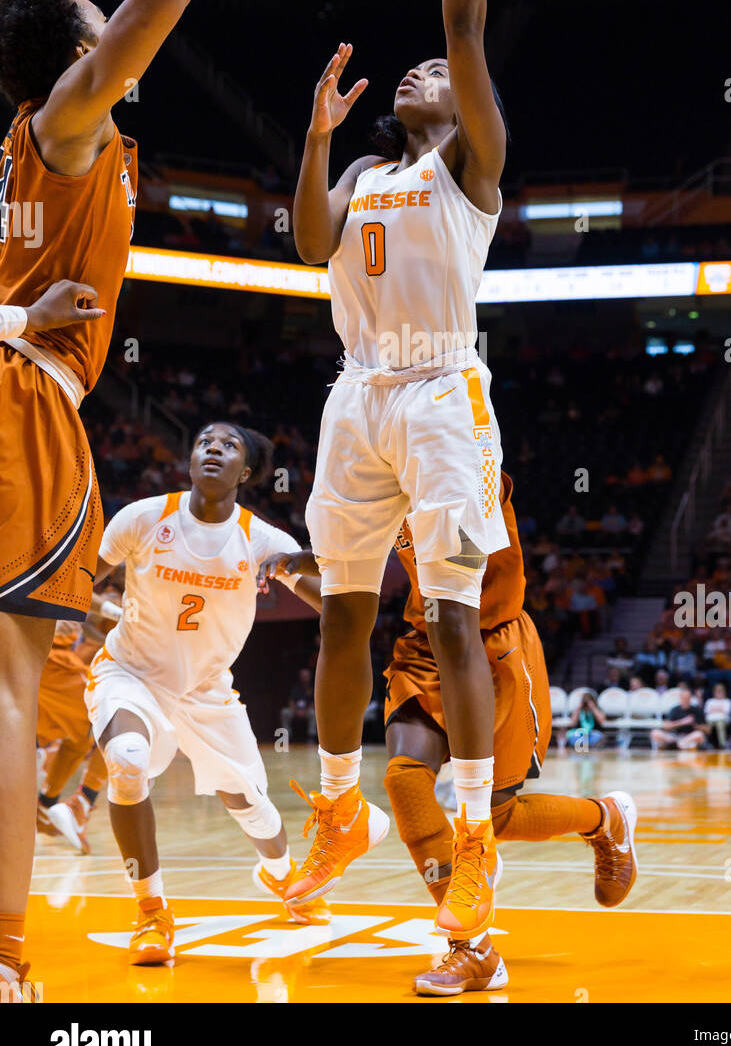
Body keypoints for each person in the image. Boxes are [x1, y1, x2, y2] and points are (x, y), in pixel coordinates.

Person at [0, 0, 272, 1000]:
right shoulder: (64, 122)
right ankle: (8, 955)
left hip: (20, 381)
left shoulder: (47, 135)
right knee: (14, 686)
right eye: (98, 25)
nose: (124, 25)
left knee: (19, 686)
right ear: (69, 49)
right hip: (25, 406)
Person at [288, 0, 515, 941]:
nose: (429, 68)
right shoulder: (372, 166)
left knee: (450, 615)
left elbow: (464, 25)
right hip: (355, 391)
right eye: (417, 69)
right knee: (339, 617)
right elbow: (302, 242)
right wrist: (320, 136)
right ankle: (337, 807)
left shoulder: (468, 169)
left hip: (439, 395)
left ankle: (474, 842)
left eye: (440, 72)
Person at [260, 472, 637, 998]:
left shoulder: (464, 460)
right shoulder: (384, 474)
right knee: (404, 780)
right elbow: (353, 580)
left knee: (496, 815)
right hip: (423, 648)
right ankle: (474, 952)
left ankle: (605, 818)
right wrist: (311, 559)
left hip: (492, 650)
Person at [86, 422, 326, 964]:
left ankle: (284, 876)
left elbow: (334, 605)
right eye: (203, 442)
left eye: (228, 445)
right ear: (191, 460)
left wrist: (302, 559)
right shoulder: (144, 518)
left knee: (251, 805)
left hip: (206, 691)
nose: (213, 448)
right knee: (126, 761)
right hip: (131, 674)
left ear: (245, 472)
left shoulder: (262, 539)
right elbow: (85, 581)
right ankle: (152, 913)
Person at [35, 593, 122, 853]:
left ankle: (46, 805)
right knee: (111, 716)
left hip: (54, 655)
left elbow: (77, 600)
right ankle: (82, 803)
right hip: (50, 657)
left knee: (81, 738)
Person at [650, 684, 705, 751]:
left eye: (687, 698)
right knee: (655, 733)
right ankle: (677, 744)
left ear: (690, 698)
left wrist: (696, 726)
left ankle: (680, 744)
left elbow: (708, 729)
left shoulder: (696, 710)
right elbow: (666, 726)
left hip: (688, 737)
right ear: (680, 698)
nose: (685, 700)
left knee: (699, 734)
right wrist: (683, 722)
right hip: (674, 737)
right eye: (684, 698)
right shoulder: (675, 709)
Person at [702, 681, 731, 748]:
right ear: (714, 692)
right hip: (710, 719)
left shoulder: (727, 701)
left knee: (720, 724)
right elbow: (706, 712)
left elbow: (726, 711)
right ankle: (704, 743)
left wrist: (714, 710)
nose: (719, 692)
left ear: (724, 692)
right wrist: (719, 710)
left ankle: (723, 744)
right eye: (717, 691)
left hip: (723, 719)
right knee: (706, 726)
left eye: (720, 691)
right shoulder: (710, 701)